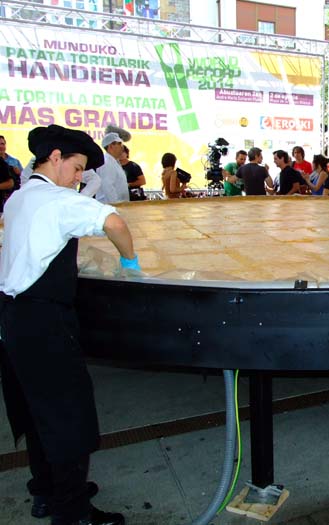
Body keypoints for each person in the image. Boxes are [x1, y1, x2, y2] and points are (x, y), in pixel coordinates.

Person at [0, 124, 138, 525]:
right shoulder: (57, 199)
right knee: (67, 415)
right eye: (77, 168)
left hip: (13, 318)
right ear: (55, 157)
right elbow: (114, 223)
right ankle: (73, 511)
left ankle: (46, 491)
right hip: (45, 321)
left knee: (35, 411)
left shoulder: (18, 199)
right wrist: (130, 263)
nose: (79, 178)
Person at [92, 133, 130, 204]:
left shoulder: (114, 161)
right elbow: (108, 187)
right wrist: (116, 205)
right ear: (111, 146)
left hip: (119, 206)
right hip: (110, 207)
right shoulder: (106, 162)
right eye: (119, 144)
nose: (122, 147)